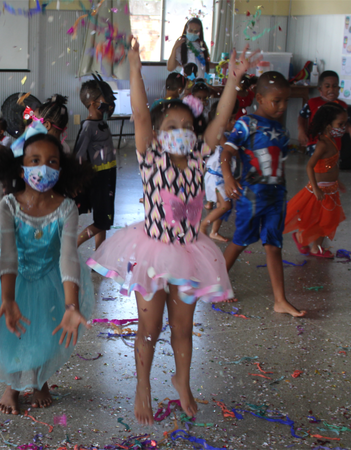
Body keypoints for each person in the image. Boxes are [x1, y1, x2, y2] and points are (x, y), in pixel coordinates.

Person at [87, 38, 238, 424]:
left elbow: (219, 121)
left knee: (184, 329)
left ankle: (182, 380)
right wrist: (135, 70)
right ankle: (143, 386)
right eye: (172, 126)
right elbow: (139, 115)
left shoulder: (200, 158)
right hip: (152, 252)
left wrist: (233, 81)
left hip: (189, 254)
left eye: (187, 126)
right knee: (149, 329)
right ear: (156, 133)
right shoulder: (151, 157)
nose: (182, 131)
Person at [0, 129, 95, 415]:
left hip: (52, 276)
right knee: (13, 333)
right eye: (35, 160)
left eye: (52, 161)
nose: (43, 168)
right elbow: (8, 253)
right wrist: (7, 297)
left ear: (61, 168)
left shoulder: (67, 208)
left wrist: (72, 303)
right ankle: (14, 385)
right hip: (13, 277)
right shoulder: (9, 205)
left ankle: (41, 380)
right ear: (22, 167)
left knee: (46, 329)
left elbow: (68, 256)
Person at [220, 71, 307, 317]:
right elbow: (227, 152)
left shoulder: (280, 129)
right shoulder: (247, 124)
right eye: (276, 101)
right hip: (252, 198)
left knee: (274, 246)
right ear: (259, 97)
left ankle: (280, 300)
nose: (282, 106)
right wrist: (228, 177)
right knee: (239, 242)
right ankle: (216, 285)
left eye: (285, 101)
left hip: (277, 198)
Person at [284, 103, 347, 258]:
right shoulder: (323, 144)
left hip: (331, 188)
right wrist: (317, 189)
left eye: (345, 124)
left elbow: (331, 167)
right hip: (320, 190)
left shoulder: (332, 141)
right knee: (321, 220)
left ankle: (307, 242)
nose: (343, 128)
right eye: (340, 124)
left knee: (326, 220)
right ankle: (311, 245)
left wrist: (338, 181)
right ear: (328, 124)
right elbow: (309, 166)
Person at [74, 78, 116, 249]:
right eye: (107, 100)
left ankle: (99, 257)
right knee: (102, 222)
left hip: (109, 175)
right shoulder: (88, 127)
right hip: (99, 178)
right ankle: (70, 247)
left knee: (103, 219)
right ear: (93, 103)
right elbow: (79, 155)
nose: (111, 104)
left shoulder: (101, 122)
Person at [297, 70, 351, 154]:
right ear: (320, 89)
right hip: (315, 142)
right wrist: (301, 131)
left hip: (335, 144)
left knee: (332, 165)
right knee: (319, 164)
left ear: (338, 89)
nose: (331, 89)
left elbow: (344, 123)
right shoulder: (312, 102)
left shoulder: (342, 105)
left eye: (334, 86)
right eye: (327, 86)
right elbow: (302, 117)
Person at [201, 101, 237, 242]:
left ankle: (214, 232)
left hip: (220, 175)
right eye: (231, 119)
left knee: (221, 206)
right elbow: (229, 149)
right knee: (225, 205)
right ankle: (204, 225)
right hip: (216, 177)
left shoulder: (225, 132)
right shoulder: (220, 133)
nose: (234, 122)